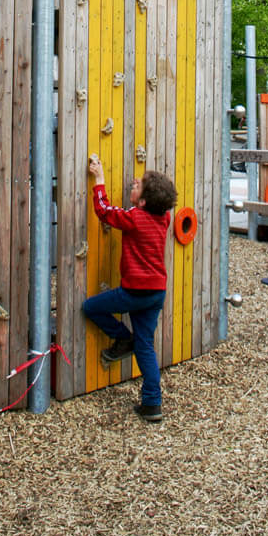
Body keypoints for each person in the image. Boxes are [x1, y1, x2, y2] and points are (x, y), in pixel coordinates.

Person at [82, 154, 177, 423]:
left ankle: (123, 338)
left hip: (135, 292)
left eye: (138, 186)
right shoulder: (163, 219)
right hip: (156, 293)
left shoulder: (134, 218)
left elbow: (104, 211)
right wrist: (144, 193)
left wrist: (99, 179)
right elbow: (150, 208)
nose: (133, 183)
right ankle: (152, 404)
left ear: (143, 202)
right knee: (146, 346)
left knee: (91, 308)